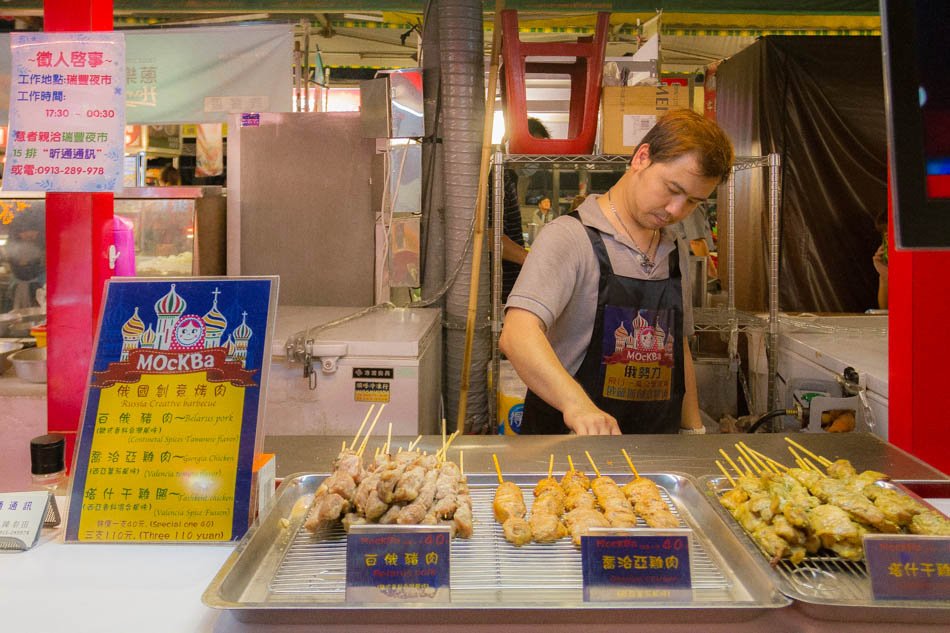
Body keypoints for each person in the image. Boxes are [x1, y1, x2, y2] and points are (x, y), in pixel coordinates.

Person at [499, 109, 734, 435]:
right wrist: (577, 405)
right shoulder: (570, 237)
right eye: (672, 189)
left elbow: (678, 350)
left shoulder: (674, 248)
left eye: (693, 201)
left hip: (653, 453)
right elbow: (517, 334)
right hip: (568, 454)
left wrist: (693, 431)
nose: (676, 211)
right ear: (641, 158)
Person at [499, 117, 550, 302]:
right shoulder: (496, 176)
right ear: (511, 143)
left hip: (509, 286)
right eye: (533, 149)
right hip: (497, 289)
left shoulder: (511, 177)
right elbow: (490, 237)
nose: (536, 157)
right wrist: (532, 261)